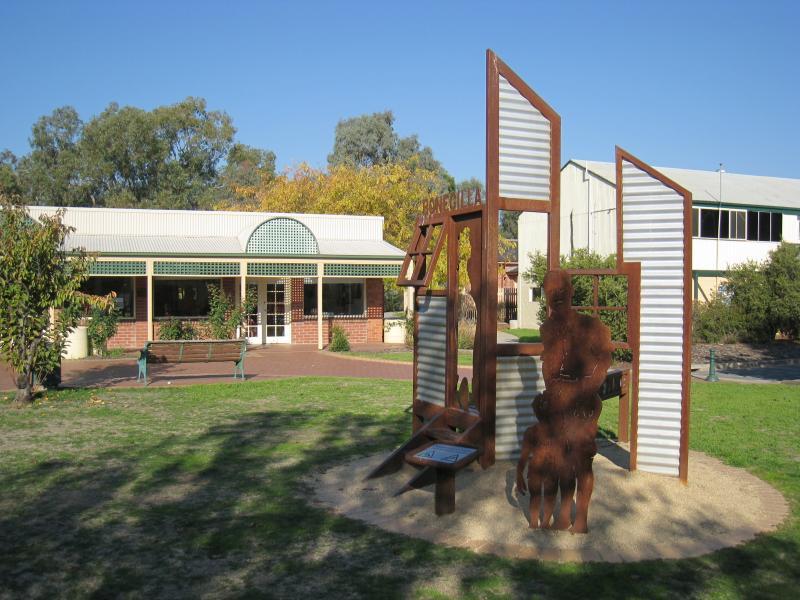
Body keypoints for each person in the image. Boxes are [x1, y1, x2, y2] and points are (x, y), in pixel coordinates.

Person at [516, 269, 612, 533]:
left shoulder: (592, 327)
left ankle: (580, 518)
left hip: (583, 405)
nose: (556, 296)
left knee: (581, 461)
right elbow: (549, 366)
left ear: (570, 292)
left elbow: (602, 366)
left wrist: (578, 391)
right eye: (550, 292)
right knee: (562, 460)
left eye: (561, 291)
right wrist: (549, 396)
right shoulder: (546, 329)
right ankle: (563, 514)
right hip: (558, 406)